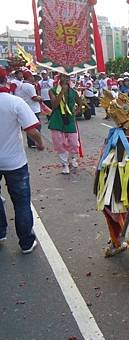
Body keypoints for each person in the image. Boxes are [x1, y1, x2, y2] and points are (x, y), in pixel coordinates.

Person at [95, 90, 129, 258]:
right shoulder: (120, 144)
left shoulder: (126, 147)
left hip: (125, 199)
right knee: (123, 215)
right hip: (121, 198)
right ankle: (120, 243)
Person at [0, 68, 44, 254]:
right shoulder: (14, 102)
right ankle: (26, 242)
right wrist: (40, 144)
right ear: (5, 81)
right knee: (21, 202)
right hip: (14, 162)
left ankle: (1, 232)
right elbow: (32, 131)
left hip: (12, 161)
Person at [48, 75, 83, 175]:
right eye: (64, 77)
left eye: (68, 77)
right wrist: (62, 91)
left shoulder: (73, 92)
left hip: (70, 120)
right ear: (59, 78)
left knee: (73, 142)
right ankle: (64, 165)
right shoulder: (52, 90)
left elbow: (80, 104)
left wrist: (76, 111)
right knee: (59, 144)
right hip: (57, 120)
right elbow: (54, 105)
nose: (67, 79)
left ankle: (73, 158)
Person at [14, 70, 43, 148]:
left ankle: (31, 143)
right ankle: (34, 142)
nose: (33, 78)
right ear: (30, 77)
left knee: (29, 126)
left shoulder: (21, 85)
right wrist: (40, 98)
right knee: (36, 127)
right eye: (32, 76)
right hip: (33, 108)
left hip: (27, 108)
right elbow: (34, 98)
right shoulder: (29, 86)